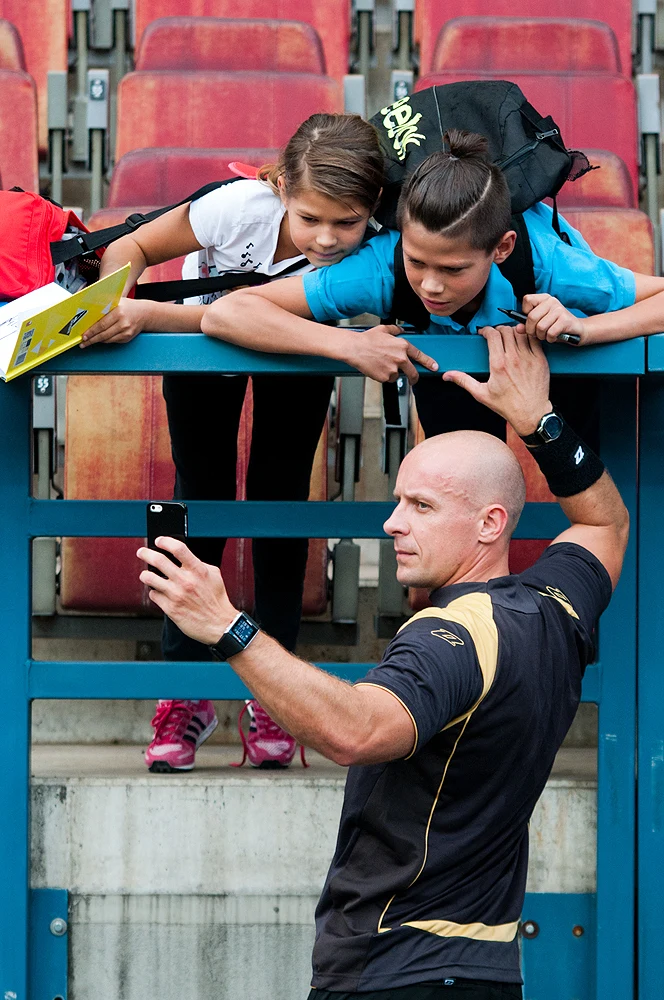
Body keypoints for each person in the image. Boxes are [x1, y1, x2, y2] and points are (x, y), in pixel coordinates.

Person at [136, 325, 628, 998]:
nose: (393, 522)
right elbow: (606, 522)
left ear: (489, 524)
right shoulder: (554, 605)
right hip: (486, 967)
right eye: (398, 500)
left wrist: (227, 626)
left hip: (397, 971)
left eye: (421, 506)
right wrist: (538, 422)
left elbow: (358, 731)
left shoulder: (449, 636)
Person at [83, 113, 438, 774]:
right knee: (199, 503)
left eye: (347, 222)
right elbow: (133, 248)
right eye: (311, 220)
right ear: (279, 188)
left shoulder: (384, 244)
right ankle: (184, 692)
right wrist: (115, 303)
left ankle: (276, 698)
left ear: (373, 214)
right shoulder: (233, 210)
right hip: (200, 351)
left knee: (282, 508)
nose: (328, 239)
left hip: (299, 353)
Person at [201, 128, 664, 447]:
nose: (432, 285)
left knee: (593, 482)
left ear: (501, 248)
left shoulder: (546, 260)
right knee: (460, 493)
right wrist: (348, 345)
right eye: (417, 262)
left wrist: (584, 330)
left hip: (562, 366)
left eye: (454, 269)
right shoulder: (382, 267)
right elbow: (227, 313)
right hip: (451, 369)